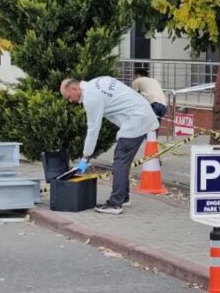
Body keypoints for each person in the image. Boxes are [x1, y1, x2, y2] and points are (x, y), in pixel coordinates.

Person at [60, 76, 159, 215]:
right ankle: (123, 197)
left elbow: (93, 129)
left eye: (69, 97)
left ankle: (115, 203)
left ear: (74, 88)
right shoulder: (98, 81)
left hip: (136, 119)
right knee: (123, 162)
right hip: (142, 114)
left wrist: (85, 158)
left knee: (120, 161)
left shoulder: (91, 97)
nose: (71, 101)